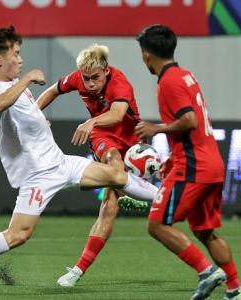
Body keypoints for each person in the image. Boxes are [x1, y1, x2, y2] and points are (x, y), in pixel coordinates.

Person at [0, 25, 157, 297]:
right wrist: (27, 78)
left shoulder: (13, 85)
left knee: (118, 176)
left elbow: (26, 109)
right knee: (18, 235)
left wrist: (39, 119)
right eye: (15, 54)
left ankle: (169, 199)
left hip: (61, 163)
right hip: (38, 176)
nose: (20, 59)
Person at [135, 24, 241, 300]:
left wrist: (156, 129)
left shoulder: (168, 82)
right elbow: (195, 127)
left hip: (195, 166)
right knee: (204, 230)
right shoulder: (185, 75)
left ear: (147, 56)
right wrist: (173, 156)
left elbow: (190, 121)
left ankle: (206, 271)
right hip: (210, 163)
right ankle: (235, 290)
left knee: (157, 224)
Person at [37, 44, 154, 287]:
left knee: (110, 205)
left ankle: (137, 195)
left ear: (106, 70)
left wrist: (90, 121)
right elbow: (51, 91)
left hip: (132, 140)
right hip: (104, 136)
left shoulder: (120, 82)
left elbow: (117, 114)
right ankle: (78, 271)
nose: (89, 84)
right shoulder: (77, 78)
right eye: (85, 78)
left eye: (95, 78)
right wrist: (34, 116)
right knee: (112, 174)